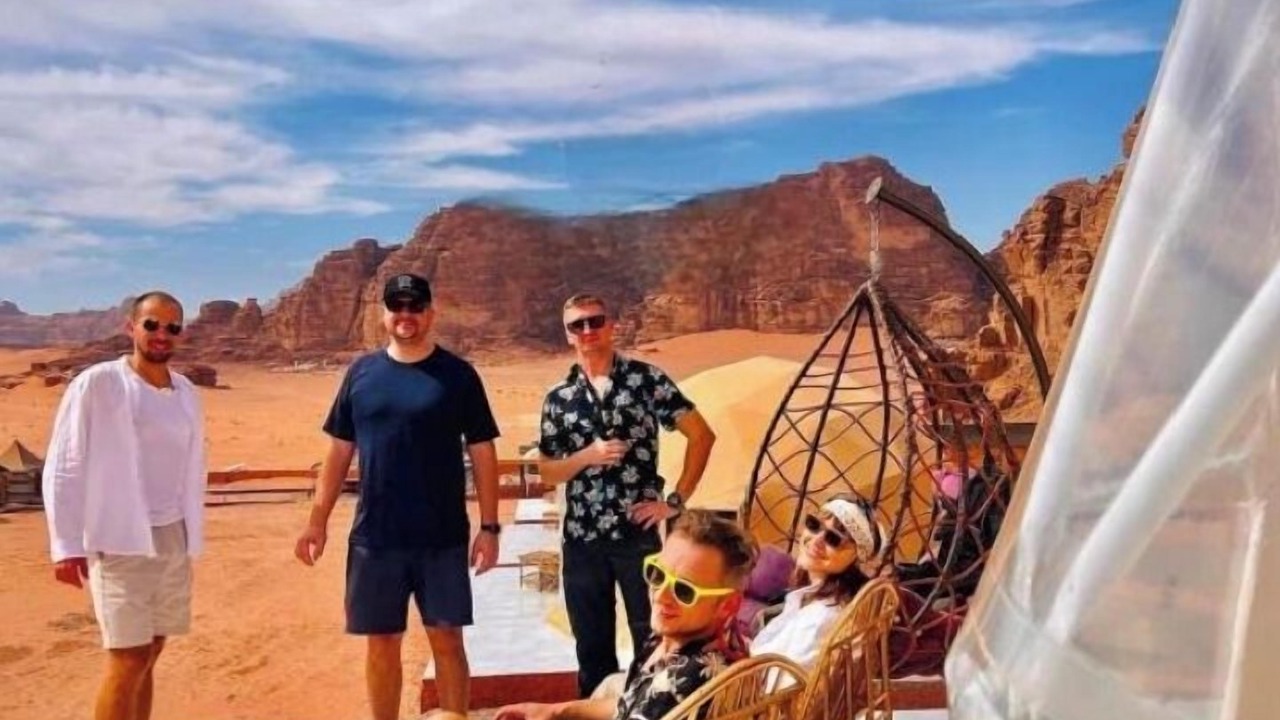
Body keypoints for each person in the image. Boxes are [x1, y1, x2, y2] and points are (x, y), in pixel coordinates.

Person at [294, 273, 501, 719]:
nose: (405, 316)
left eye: (414, 307)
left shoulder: (458, 375)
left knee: (447, 640)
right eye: (397, 307)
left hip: (441, 537)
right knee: (381, 642)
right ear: (384, 314)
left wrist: (489, 526)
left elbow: (483, 451)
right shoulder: (361, 374)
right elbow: (338, 452)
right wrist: (317, 521)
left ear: (430, 313)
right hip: (376, 539)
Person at [537, 293, 717, 698]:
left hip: (636, 537)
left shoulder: (646, 380)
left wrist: (674, 502)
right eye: (576, 325)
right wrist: (587, 456)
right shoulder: (559, 398)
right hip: (581, 539)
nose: (587, 331)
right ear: (567, 335)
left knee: (652, 640)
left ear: (611, 324)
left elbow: (702, 436)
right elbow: (548, 468)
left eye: (595, 321)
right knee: (591, 646)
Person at [43, 291, 207, 720]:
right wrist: (65, 544)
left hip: (172, 536)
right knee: (128, 657)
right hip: (120, 538)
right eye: (152, 324)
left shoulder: (185, 390)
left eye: (172, 327)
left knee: (151, 651)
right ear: (130, 327)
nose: (161, 335)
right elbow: (65, 463)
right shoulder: (98, 384)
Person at [495, 510, 756, 720]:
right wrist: (554, 711)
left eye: (684, 590)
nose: (660, 595)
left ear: (727, 605)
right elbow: (631, 701)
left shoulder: (679, 685)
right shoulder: (686, 635)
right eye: (657, 573)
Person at [749, 496, 883, 674]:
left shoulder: (822, 616)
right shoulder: (811, 599)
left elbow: (781, 684)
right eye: (814, 525)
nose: (817, 540)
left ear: (855, 558)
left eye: (834, 539)